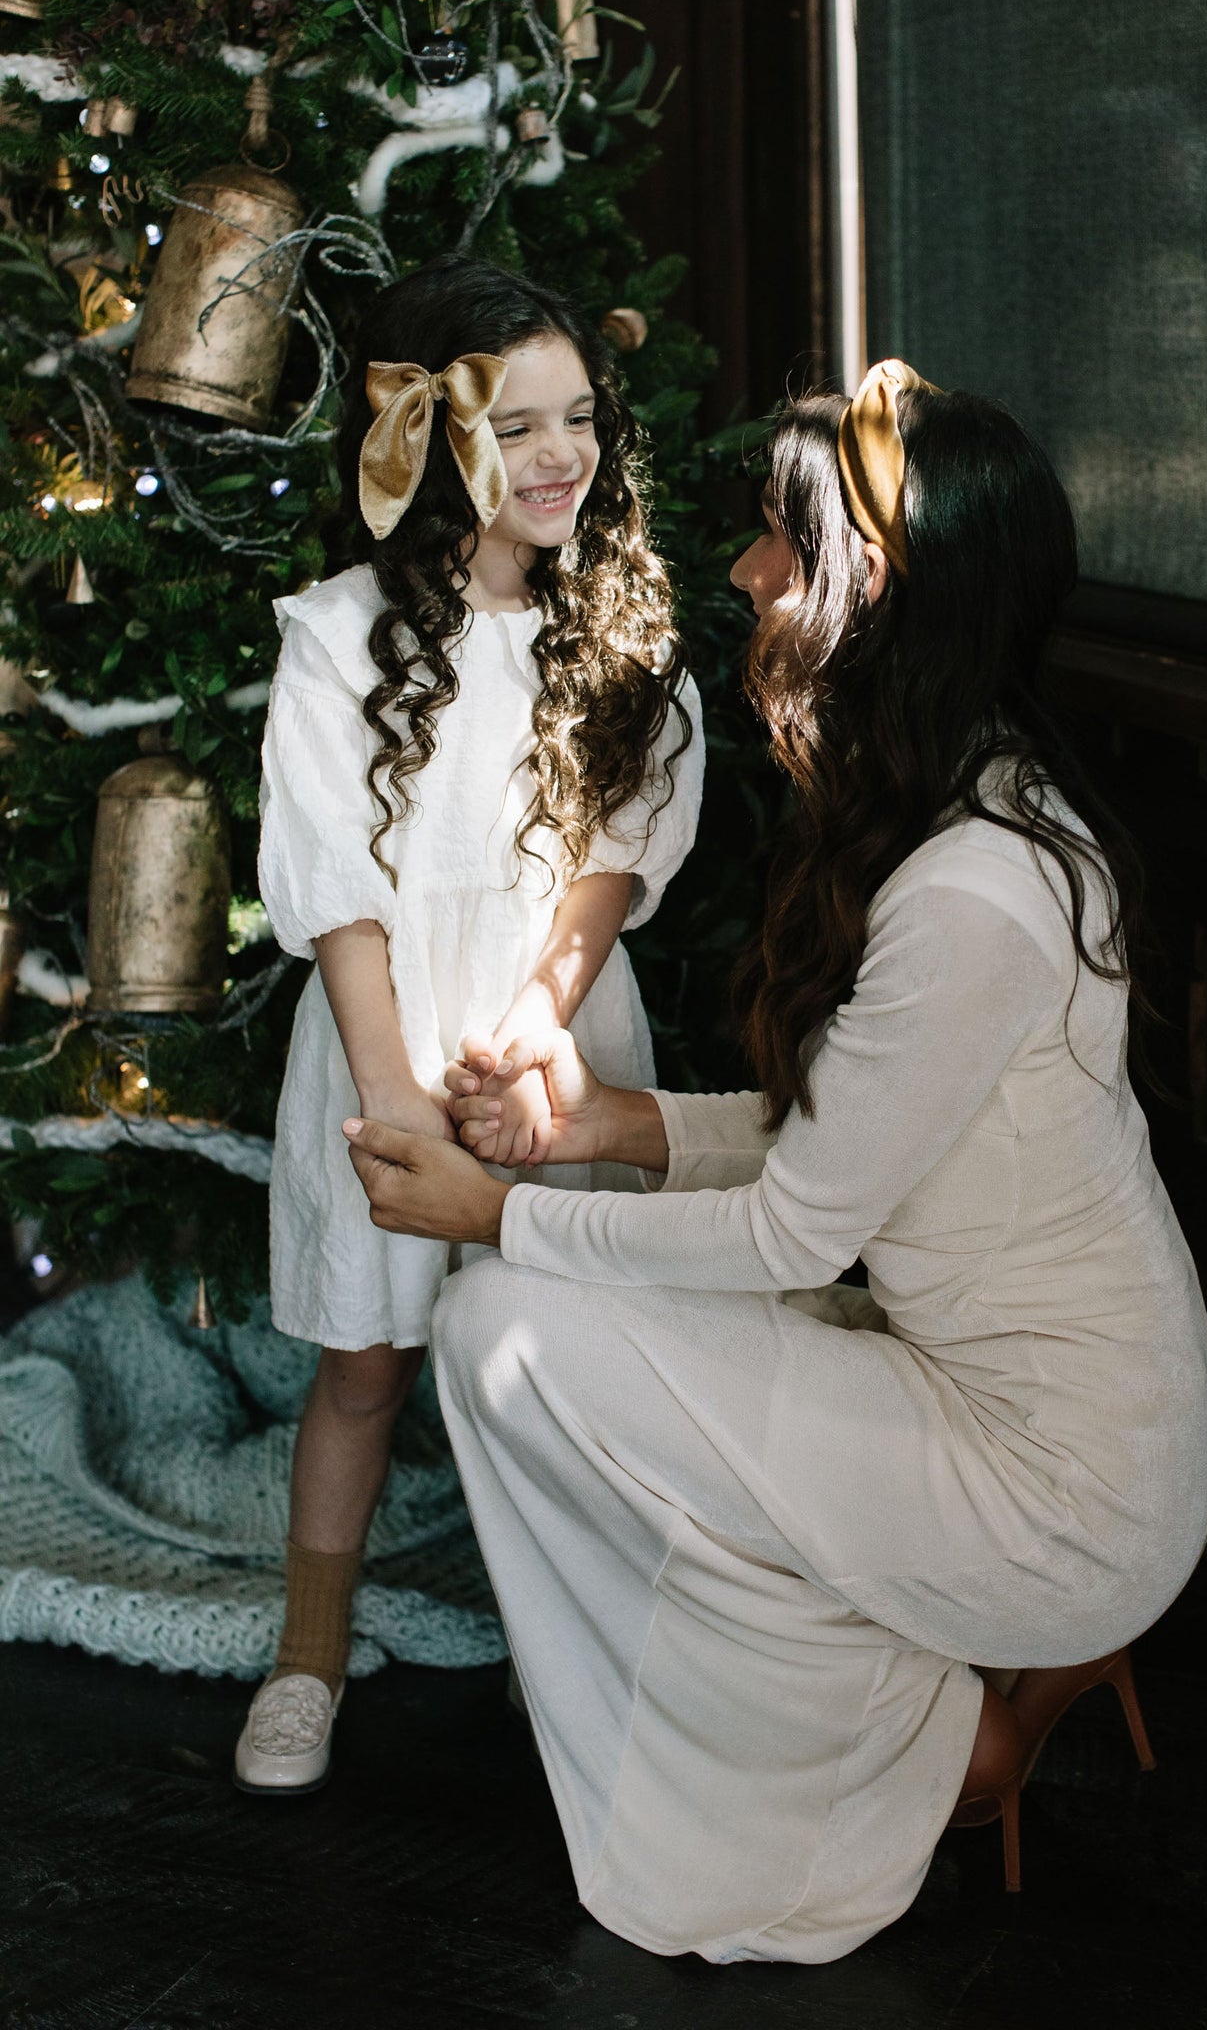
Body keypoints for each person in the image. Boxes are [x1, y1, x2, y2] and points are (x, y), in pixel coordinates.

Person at [343, 362, 1207, 1962]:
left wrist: (501, 1211)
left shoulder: (972, 889)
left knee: (497, 1326)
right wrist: (610, 1128)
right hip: (1014, 1401)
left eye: (776, 540)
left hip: (1066, 1490)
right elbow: (873, 1140)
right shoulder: (977, 803)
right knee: (525, 1326)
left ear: (864, 586)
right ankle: (877, 1690)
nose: (746, 574)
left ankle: (911, 1732)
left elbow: (795, 1234)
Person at [234, 259, 703, 1795]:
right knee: (364, 1372)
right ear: (431, 443)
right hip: (384, 1047)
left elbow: (608, 869)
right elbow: (336, 889)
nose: (561, 456)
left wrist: (529, 1039)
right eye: (515, 428)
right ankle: (308, 1654)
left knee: (564, 1356)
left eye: (580, 420)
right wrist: (394, 1099)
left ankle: (558, 1646)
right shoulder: (337, 633)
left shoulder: (622, 631)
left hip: (551, 1048)